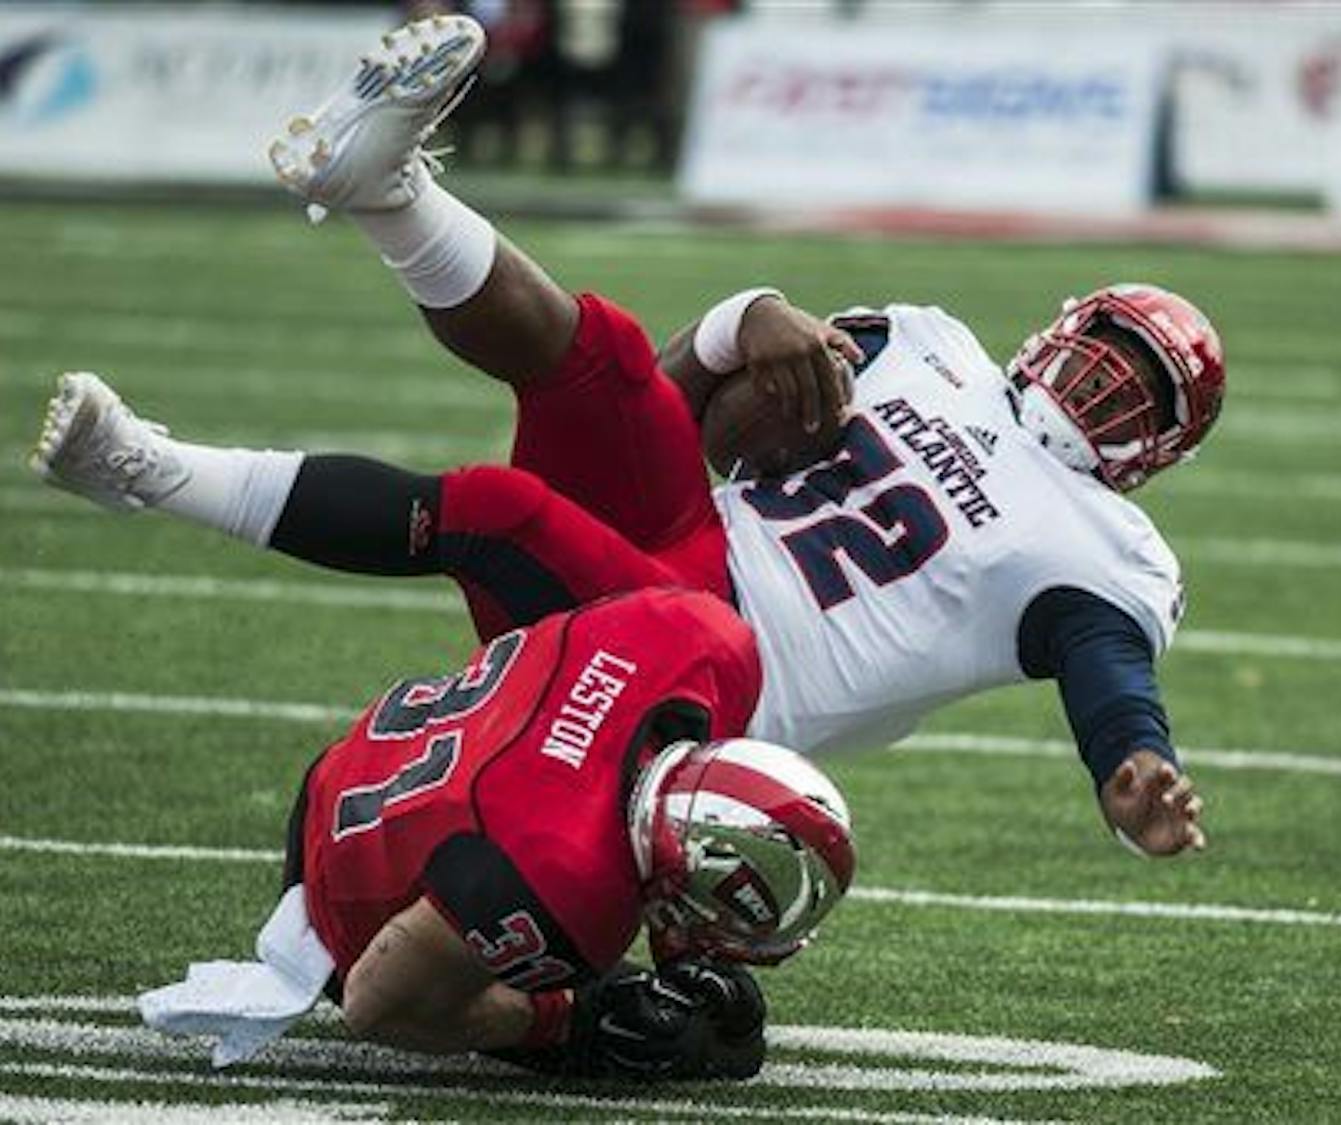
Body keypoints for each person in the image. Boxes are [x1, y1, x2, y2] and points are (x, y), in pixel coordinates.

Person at [33, 14, 1214, 861]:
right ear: (1063, 325)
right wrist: (753, 315)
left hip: (711, 671)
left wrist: (1131, 763)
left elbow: (1106, 670)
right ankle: (382, 187)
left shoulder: (1105, 551)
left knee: (498, 510)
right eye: (1111, 351)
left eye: (1144, 394)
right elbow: (672, 393)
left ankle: (145, 470)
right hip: (678, 539)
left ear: (1155, 454)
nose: (1109, 388)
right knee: (596, 360)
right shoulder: (930, 344)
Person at [138, 585, 856, 1079]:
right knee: (663, 1036)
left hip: (386, 759)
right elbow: (374, 1002)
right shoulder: (567, 886)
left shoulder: (707, 636)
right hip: (350, 890)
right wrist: (562, 1021)